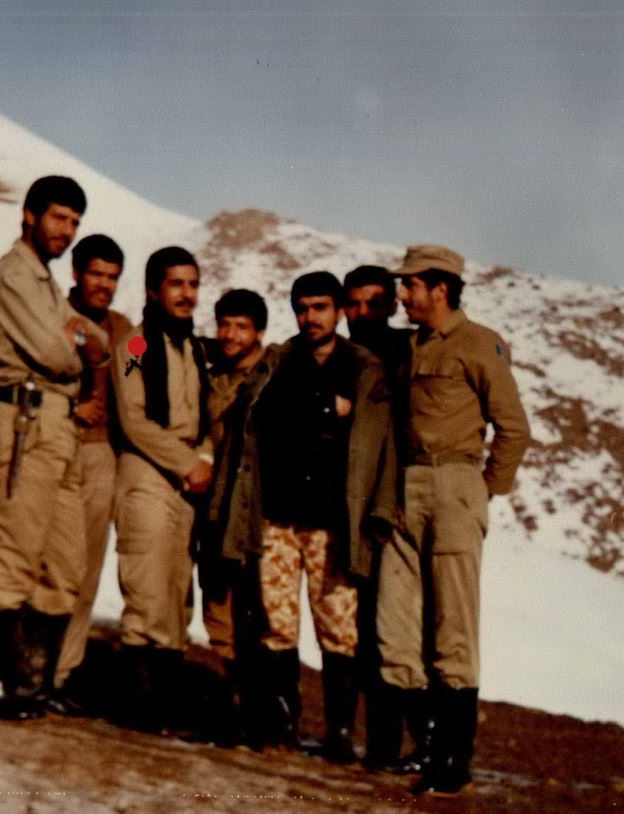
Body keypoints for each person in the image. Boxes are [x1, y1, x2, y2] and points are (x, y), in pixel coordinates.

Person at [209, 271, 395, 762]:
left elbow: (377, 438)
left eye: (320, 307)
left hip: (333, 521)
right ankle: (281, 726)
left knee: (339, 627)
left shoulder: (361, 366)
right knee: (277, 622)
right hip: (276, 515)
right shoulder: (278, 361)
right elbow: (263, 415)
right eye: (302, 308)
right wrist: (327, 409)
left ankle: (339, 734)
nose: (310, 317)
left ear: (338, 311)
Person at [376, 244, 530, 795]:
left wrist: (481, 490)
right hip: (407, 485)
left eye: (411, 285)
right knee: (395, 626)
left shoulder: (479, 344)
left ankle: (452, 759)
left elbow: (514, 428)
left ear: (440, 289)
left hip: (454, 484)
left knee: (452, 628)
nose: (402, 294)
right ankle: (423, 745)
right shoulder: (410, 346)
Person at [0, 176, 110, 720]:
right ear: (30, 215)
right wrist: (83, 347)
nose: (66, 230)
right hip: (30, 422)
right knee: (17, 552)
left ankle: (31, 680)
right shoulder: (19, 279)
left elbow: (110, 352)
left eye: (75, 223)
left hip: (67, 432)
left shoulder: (124, 326)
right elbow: (59, 352)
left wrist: (89, 343)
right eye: (59, 218)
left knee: (66, 565)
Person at [111, 246, 212, 735]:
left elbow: (205, 417)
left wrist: (203, 458)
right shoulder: (135, 345)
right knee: (147, 586)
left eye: (193, 284)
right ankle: (137, 704)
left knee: (176, 592)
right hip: (149, 472)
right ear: (153, 290)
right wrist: (187, 463)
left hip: (186, 481)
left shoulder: (195, 348)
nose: (186, 294)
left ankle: (166, 704)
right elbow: (133, 418)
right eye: (176, 284)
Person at [341, 264, 425, 772]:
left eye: (373, 303)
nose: (362, 313)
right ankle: (362, 739)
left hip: (392, 506)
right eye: (353, 303)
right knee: (352, 625)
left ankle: (397, 741)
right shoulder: (337, 355)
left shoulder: (407, 354)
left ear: (392, 305)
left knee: (393, 623)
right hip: (346, 506)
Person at [45, 234, 134, 715]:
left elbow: (138, 378)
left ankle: (62, 672)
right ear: (77, 273)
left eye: (112, 277)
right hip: (52, 445)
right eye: (96, 273)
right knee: (42, 558)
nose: (103, 284)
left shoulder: (127, 331)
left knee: (86, 566)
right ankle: (27, 663)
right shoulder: (51, 313)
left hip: (100, 454)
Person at [199, 288, 267, 745]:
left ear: (259, 332)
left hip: (254, 510)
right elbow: (133, 361)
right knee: (218, 606)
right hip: (212, 508)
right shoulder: (210, 374)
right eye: (225, 324)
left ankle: (263, 711)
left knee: (255, 612)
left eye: (241, 326)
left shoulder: (272, 375)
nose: (230, 334)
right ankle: (232, 703)